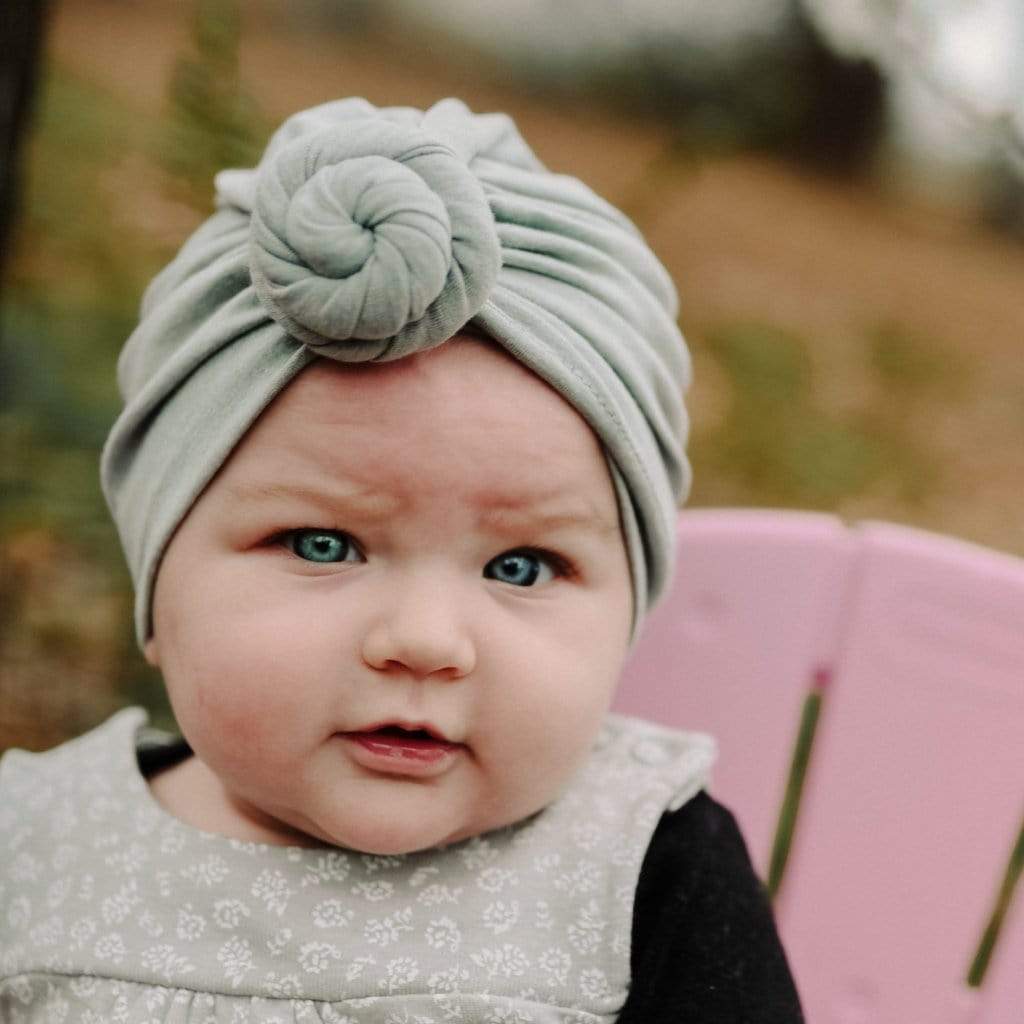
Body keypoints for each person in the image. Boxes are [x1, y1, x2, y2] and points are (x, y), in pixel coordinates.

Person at [0, 98, 804, 1022]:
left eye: (521, 567)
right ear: (158, 576)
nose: (423, 642)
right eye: (322, 545)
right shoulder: (33, 848)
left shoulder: (648, 870)